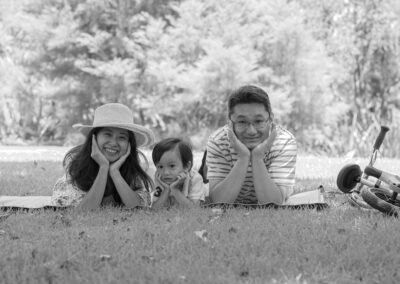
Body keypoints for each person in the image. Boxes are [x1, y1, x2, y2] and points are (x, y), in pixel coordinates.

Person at [51, 103, 155, 210]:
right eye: (108, 134)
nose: (114, 143)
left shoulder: (130, 165)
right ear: (94, 138)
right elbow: (84, 210)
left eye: (122, 137)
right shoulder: (77, 161)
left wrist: (115, 172)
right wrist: (103, 167)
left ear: (129, 143)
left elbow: (137, 207)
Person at [206, 85, 297, 205]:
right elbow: (218, 202)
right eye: (242, 122)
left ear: (270, 119)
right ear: (230, 122)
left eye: (259, 121)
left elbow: (275, 204)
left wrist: (257, 158)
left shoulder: (284, 142)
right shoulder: (218, 142)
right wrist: (243, 158)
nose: (251, 131)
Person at [150, 138, 208, 209]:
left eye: (172, 166)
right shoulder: (159, 178)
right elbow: (153, 209)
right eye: (160, 166)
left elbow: (194, 209)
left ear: (186, 166)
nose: (165, 172)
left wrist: (175, 190)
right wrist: (166, 190)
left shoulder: (195, 179)